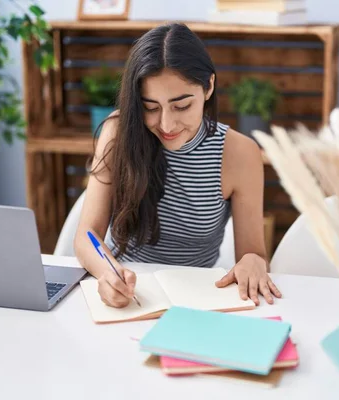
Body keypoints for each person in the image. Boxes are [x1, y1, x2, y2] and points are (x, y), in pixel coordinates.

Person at [74, 22, 281, 309]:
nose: (167, 125)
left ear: (208, 86)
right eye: (150, 107)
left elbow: (253, 254)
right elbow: (87, 236)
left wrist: (253, 263)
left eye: (182, 105)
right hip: (130, 295)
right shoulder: (117, 131)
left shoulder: (240, 153)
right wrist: (107, 273)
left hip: (198, 297)